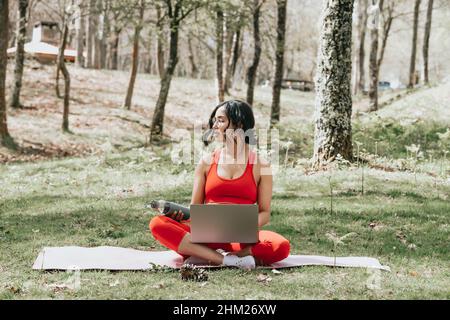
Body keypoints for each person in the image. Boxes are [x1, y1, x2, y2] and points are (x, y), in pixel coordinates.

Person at [149, 100, 290, 270]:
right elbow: (195, 208)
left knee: (281, 245)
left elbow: (265, 213)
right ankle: (227, 260)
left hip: (240, 239)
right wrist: (184, 218)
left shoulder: (262, 166)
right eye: (214, 120)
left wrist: (241, 226)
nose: (214, 126)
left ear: (239, 124)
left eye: (221, 120)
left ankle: (207, 256)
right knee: (157, 223)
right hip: (207, 235)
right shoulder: (206, 162)